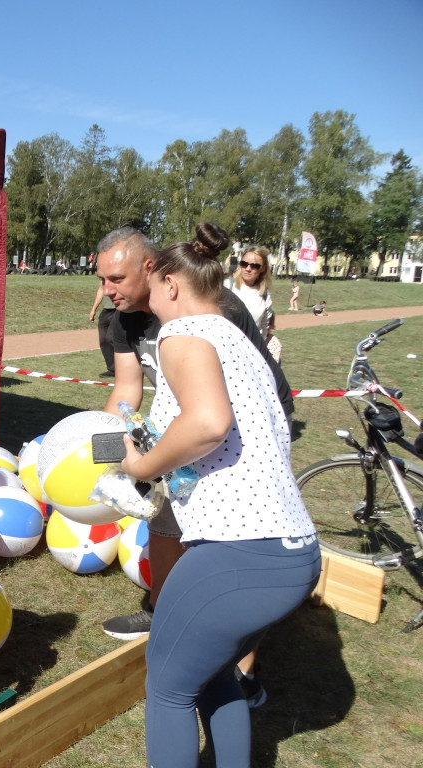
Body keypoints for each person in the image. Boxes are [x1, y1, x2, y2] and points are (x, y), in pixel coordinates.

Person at [120, 222, 319, 768]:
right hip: (292, 548)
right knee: (210, 676)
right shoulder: (240, 337)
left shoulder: (181, 334)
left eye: (152, 289)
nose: (151, 304)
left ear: (172, 285)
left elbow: (207, 423)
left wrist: (141, 464)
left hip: (239, 551)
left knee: (167, 688)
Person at [95, 225, 295, 707]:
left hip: (245, 435)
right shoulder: (120, 320)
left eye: (116, 278)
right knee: (164, 525)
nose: (107, 291)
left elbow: (243, 402)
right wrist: (99, 455)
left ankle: (242, 669)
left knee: (230, 547)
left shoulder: (214, 307)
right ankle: (168, 620)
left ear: (152, 270)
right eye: (102, 280)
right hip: (186, 430)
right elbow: (126, 391)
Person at [227, 246, 272, 336]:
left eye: (255, 266)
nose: (248, 269)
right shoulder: (228, 286)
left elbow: (265, 327)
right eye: (244, 263)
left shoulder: (265, 294)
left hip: (252, 346)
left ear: (263, 268)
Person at [87, 283, 117, 377]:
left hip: (119, 310)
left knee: (110, 338)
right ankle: (112, 370)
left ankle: (125, 368)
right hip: (107, 310)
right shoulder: (104, 276)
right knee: (103, 340)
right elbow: (101, 290)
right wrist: (93, 310)